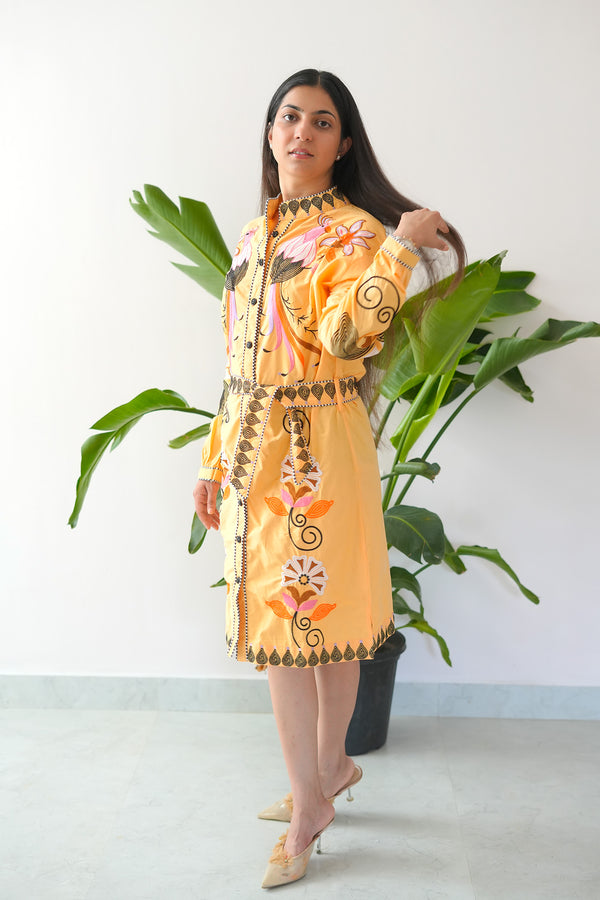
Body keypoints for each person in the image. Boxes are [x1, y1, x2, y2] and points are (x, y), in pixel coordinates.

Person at [193, 68, 465, 889]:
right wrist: (212, 462)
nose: (300, 132)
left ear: (344, 143)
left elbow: (347, 336)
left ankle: (310, 802)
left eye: (320, 121)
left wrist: (401, 245)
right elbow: (239, 361)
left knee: (314, 624)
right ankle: (327, 774)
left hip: (317, 453)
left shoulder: (351, 234)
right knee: (293, 632)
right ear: (270, 132)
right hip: (253, 450)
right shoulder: (253, 237)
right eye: (288, 116)